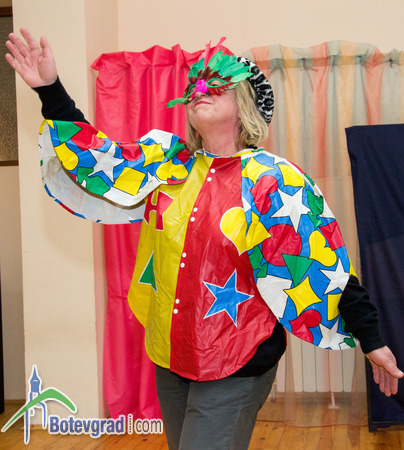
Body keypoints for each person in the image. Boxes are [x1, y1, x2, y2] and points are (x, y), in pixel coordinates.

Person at [6, 28, 403, 450]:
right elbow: (97, 158)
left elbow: (324, 266)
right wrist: (50, 89)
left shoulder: (273, 181)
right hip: (170, 355)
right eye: (195, 83)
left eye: (216, 83)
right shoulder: (167, 165)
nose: (200, 89)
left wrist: (372, 340)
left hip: (237, 357)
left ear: (244, 103)